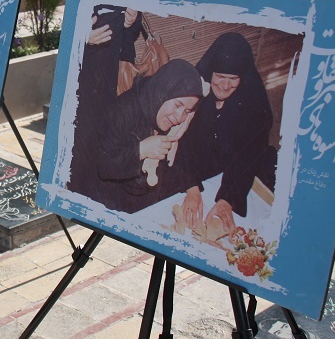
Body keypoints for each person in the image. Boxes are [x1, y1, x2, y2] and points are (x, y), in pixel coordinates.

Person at [174, 32, 276, 233]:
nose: (225, 85)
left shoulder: (253, 102)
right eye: (220, 76)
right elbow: (181, 142)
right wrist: (191, 187)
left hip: (237, 173)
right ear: (210, 71)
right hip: (197, 171)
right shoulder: (194, 93)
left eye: (233, 78)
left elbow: (249, 153)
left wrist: (228, 199)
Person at [90, 58, 203, 213]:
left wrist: (193, 188)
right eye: (177, 105)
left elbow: (183, 155)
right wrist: (141, 150)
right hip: (119, 206)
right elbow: (104, 166)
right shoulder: (122, 111)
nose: (179, 117)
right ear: (163, 91)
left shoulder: (173, 116)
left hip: (154, 200)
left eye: (187, 111)